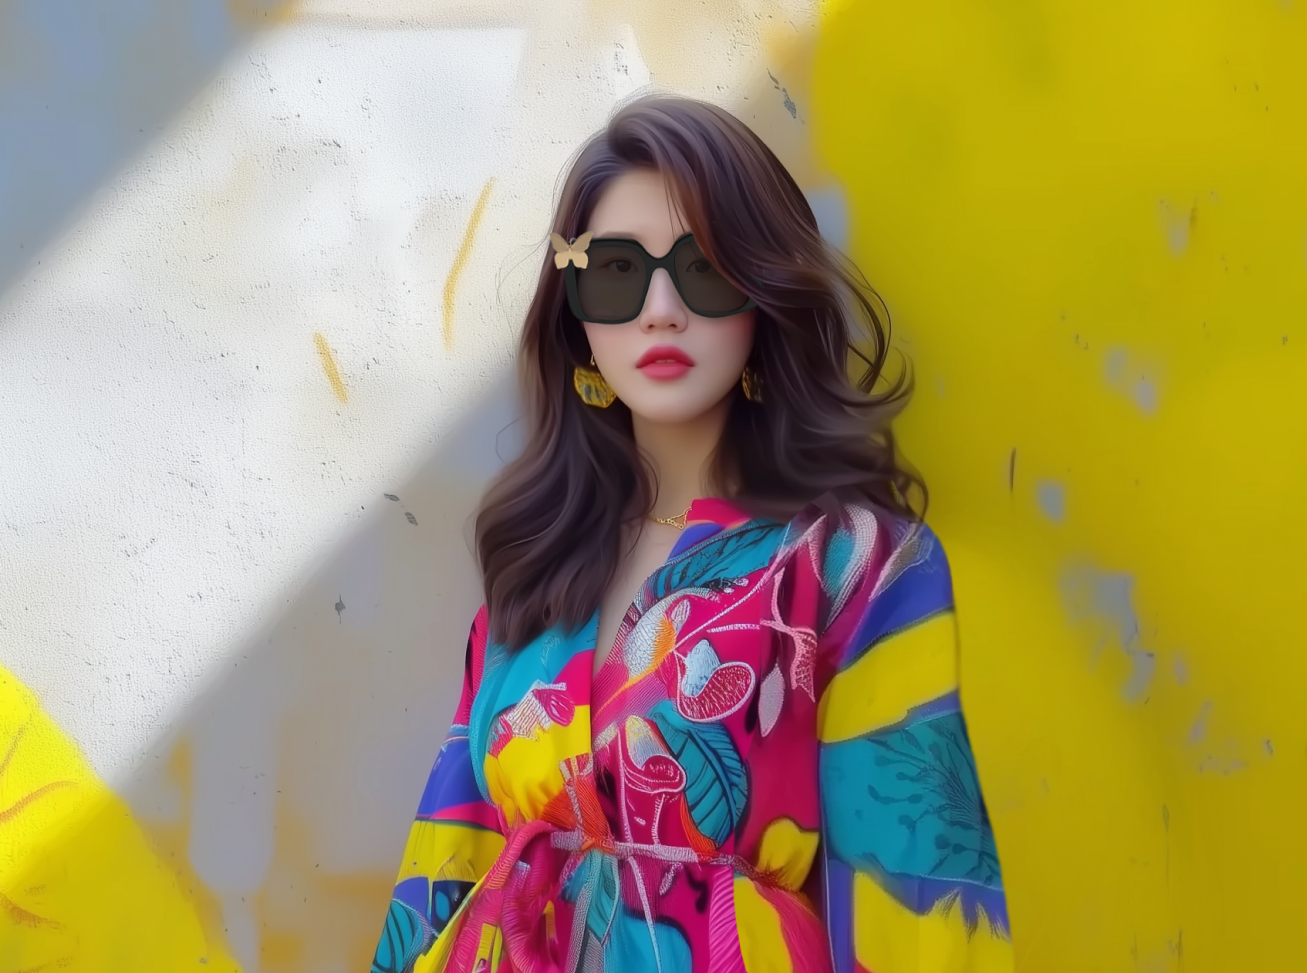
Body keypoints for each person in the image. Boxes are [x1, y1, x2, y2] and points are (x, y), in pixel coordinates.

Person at [370, 95, 1013, 973]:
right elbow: (447, 865)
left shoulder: (851, 568)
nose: (661, 309)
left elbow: (919, 888)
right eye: (616, 272)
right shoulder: (538, 562)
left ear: (762, 293)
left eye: (704, 269)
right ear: (575, 313)